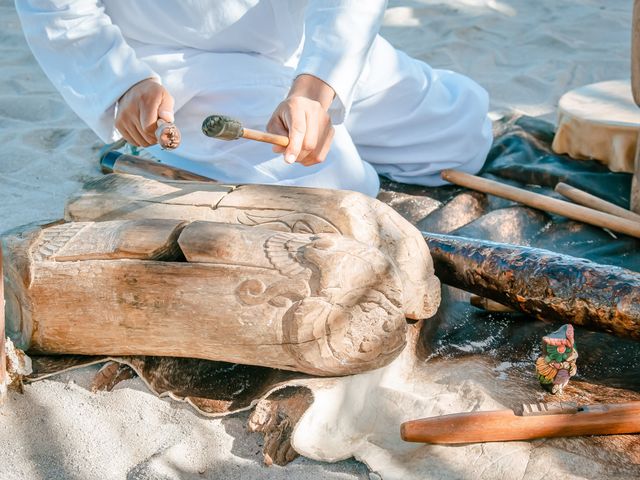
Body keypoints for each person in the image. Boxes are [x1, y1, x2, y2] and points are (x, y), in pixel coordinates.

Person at [15, 0, 492, 197]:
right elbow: (59, 9)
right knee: (339, 190)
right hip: (173, 59)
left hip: (300, 40)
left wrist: (316, 88)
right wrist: (122, 83)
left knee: (463, 133)